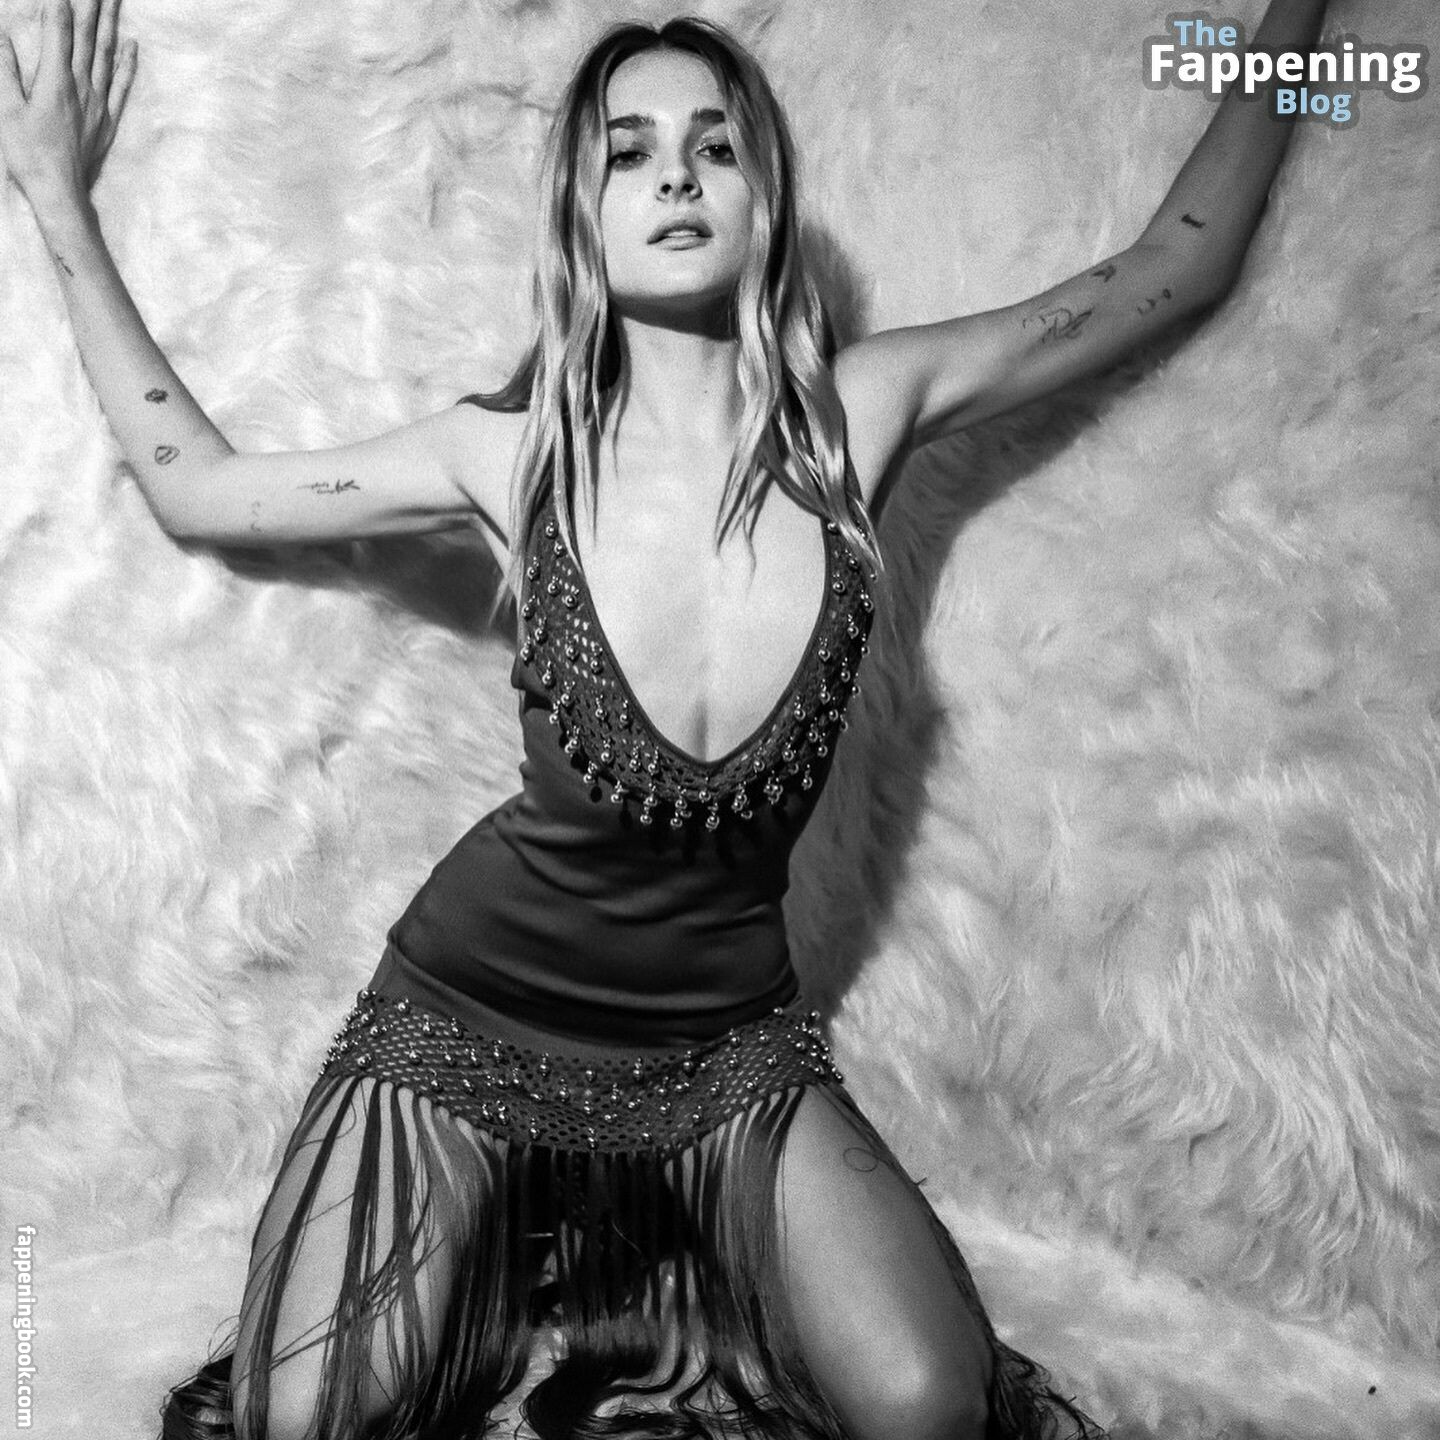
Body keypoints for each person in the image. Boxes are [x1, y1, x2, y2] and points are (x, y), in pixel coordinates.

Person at [0, 0, 1330, 1435]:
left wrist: (1298, 17)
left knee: (929, 1405)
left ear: (766, 197)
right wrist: (56, 192)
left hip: (720, 1049)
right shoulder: (510, 455)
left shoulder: (861, 413)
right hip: (468, 1022)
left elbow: (1170, 270)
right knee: (306, 1418)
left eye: (716, 145)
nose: (678, 175)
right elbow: (200, 486)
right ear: (583, 216)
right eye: (630, 153)